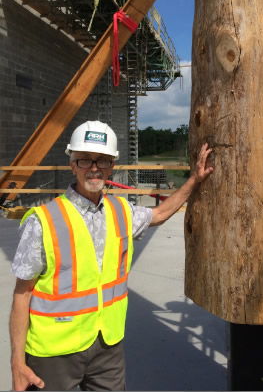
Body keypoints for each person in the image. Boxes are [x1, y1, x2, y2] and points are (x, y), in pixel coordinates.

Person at [9, 120, 213, 391]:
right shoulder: (43, 221)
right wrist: (17, 362)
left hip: (108, 344)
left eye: (102, 160)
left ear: (112, 166)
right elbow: (22, 295)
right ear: (72, 164)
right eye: (85, 160)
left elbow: (160, 214)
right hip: (54, 352)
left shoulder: (122, 211)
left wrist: (194, 180)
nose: (94, 168)